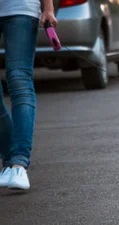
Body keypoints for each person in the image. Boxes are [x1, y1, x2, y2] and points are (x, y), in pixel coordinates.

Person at [0, 0, 57, 190]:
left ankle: (18, 165)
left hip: (21, 9)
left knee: (19, 79)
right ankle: (9, 159)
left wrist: (48, 9)